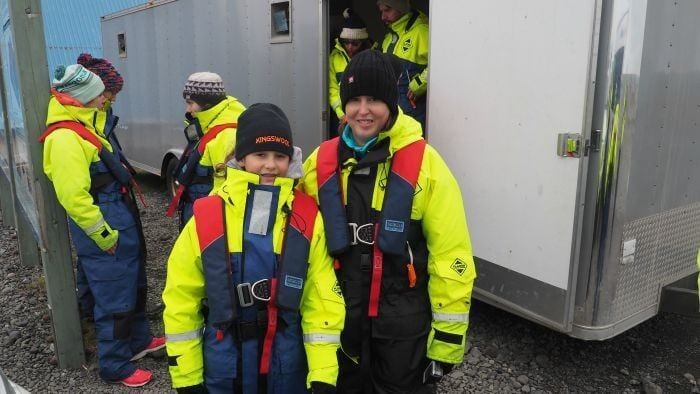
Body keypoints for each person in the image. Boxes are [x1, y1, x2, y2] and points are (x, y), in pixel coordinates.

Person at [299, 50, 476, 393]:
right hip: (338, 315)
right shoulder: (319, 162)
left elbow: (451, 253)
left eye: (375, 100)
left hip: (402, 322)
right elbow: (291, 227)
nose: (363, 111)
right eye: (355, 100)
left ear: (392, 104)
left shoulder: (427, 164)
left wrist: (447, 339)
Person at [162, 103, 345, 393]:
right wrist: (187, 376)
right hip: (225, 360)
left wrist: (323, 373)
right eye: (260, 154)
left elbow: (322, 299)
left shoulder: (307, 217)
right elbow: (181, 299)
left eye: (280, 156)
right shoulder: (208, 216)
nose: (270, 165)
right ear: (241, 157)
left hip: (287, 359)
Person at [39, 64, 164, 387]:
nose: (103, 101)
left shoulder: (85, 126)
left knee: (131, 285)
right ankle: (115, 365)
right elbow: (73, 196)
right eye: (98, 96)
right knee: (114, 297)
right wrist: (103, 234)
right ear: (81, 98)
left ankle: (137, 341)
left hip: (118, 218)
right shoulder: (65, 137)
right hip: (106, 226)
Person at [166, 72, 246, 229]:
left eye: (190, 103)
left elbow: (225, 192)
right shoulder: (209, 125)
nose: (187, 109)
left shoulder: (226, 136)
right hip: (197, 212)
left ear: (207, 104)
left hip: (208, 221)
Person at [377, 0, 429, 132]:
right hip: (390, 114)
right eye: (381, 11)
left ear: (400, 8)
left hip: (412, 114)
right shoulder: (389, 36)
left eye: (387, 10)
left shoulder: (421, 31)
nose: (383, 17)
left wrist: (419, 83)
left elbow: (443, 63)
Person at [329, 8, 372, 138]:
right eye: (346, 42)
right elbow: (332, 89)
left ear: (363, 42)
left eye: (355, 43)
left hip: (365, 116)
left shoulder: (371, 57)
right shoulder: (334, 58)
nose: (350, 47)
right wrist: (341, 114)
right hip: (342, 118)